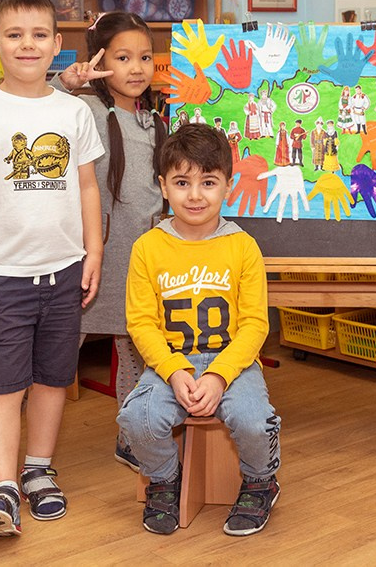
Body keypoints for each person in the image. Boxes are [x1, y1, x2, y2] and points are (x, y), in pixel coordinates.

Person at [0, 0, 105, 537]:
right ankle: (3, 485)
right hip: (1, 275)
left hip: (64, 270)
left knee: (53, 379)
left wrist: (95, 251)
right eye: (14, 35)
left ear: (58, 45)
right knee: (3, 383)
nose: (27, 45)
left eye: (39, 35)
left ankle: (38, 469)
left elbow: (87, 188)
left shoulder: (74, 111)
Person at [118, 123, 281, 537]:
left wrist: (218, 374)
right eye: (182, 182)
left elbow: (254, 324)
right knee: (137, 417)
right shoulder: (148, 248)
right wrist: (174, 372)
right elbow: (141, 322)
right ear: (163, 186)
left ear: (227, 184)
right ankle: (163, 480)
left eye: (208, 182)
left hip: (233, 362)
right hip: (169, 363)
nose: (194, 195)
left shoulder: (243, 246)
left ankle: (261, 480)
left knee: (252, 419)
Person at [52, 11, 168, 474]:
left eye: (145, 57)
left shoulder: (155, 119)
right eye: (123, 58)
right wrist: (67, 80)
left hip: (142, 257)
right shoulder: (89, 111)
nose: (137, 68)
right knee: (59, 347)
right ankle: (3, 425)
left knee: (135, 348)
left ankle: (131, 435)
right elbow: (41, 105)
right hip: (95, 255)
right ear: (101, 60)